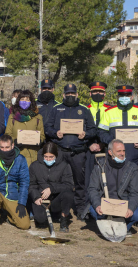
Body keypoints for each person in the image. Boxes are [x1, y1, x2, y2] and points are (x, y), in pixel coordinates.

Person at [44, 83, 96, 220]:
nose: (70, 96)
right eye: (68, 94)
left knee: (79, 182)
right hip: (60, 151)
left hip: (78, 152)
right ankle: (56, 209)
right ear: (63, 95)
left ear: (77, 94)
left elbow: (93, 129)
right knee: (56, 180)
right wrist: (56, 133)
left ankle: (80, 209)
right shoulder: (56, 109)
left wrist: (86, 134)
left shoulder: (84, 110)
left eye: (73, 94)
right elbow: (47, 128)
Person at [84, 139, 138, 235]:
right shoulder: (100, 166)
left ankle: (123, 229)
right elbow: (92, 189)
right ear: (110, 152)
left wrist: (130, 208)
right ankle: (105, 228)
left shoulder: (132, 168)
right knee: (94, 211)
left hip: (123, 203)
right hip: (105, 203)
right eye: (118, 151)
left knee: (137, 214)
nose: (122, 153)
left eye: (123, 151)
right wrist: (98, 205)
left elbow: (135, 192)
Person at [98, 85, 138, 168]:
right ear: (117, 97)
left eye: (127, 95)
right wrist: (112, 142)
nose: (124, 97)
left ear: (132, 97)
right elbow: (101, 132)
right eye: (122, 96)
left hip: (135, 157)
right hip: (114, 158)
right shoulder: (108, 112)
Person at [0, 134, 30, 230]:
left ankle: (8, 216)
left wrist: (22, 203)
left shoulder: (20, 159)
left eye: (7, 147)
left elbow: (24, 182)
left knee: (24, 225)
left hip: (13, 195)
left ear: (12, 146)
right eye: (2, 147)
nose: (4, 150)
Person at [28, 142, 73, 231]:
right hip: (41, 198)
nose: (48, 159)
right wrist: (36, 197)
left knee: (68, 194)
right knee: (40, 221)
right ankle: (45, 215)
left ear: (56, 155)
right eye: (46, 157)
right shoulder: (35, 165)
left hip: (56, 198)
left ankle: (63, 219)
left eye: (51, 157)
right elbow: (31, 185)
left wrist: (52, 189)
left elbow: (69, 185)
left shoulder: (64, 165)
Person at [85, 82, 111, 204]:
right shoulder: (84, 109)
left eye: (100, 92)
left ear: (104, 94)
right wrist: (89, 144)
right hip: (88, 147)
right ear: (90, 93)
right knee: (88, 176)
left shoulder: (110, 109)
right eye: (95, 92)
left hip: (105, 147)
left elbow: (111, 130)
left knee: (105, 176)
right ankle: (88, 204)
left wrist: (103, 144)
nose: (97, 94)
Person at [5, 90, 45, 167]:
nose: (24, 101)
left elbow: (42, 135)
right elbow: (7, 134)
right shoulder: (12, 117)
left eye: (27, 99)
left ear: (31, 102)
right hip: (17, 154)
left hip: (33, 155)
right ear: (18, 101)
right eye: (22, 99)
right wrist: (15, 141)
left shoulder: (37, 117)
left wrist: (39, 140)